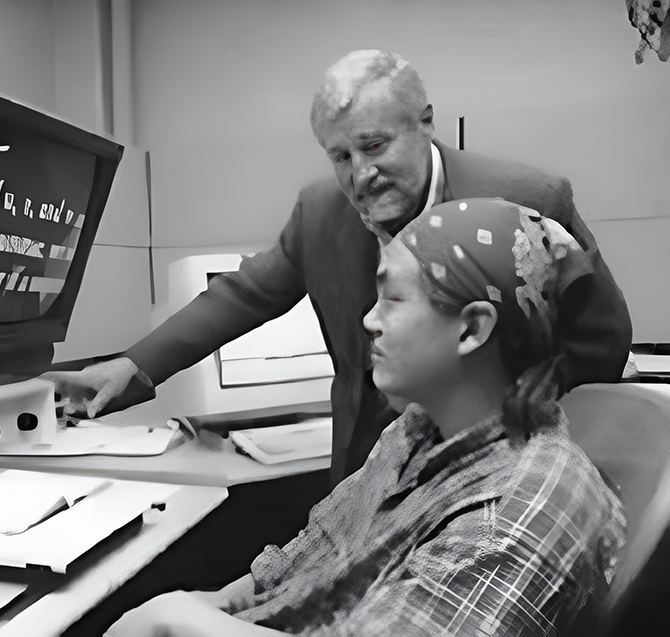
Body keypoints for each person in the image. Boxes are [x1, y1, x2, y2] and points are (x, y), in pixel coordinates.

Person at [44, 49, 632, 484]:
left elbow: (601, 341)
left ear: (425, 122)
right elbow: (246, 293)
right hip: (364, 461)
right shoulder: (321, 211)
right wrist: (132, 366)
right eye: (340, 156)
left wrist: (520, 420)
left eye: (375, 146)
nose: (359, 175)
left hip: (497, 463)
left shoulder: (524, 199)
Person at [103, 198, 627, 637]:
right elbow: (310, 558)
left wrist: (176, 622)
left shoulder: (515, 513)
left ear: (471, 329)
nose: (368, 320)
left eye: (393, 298)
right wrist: (214, 605)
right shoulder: (417, 429)